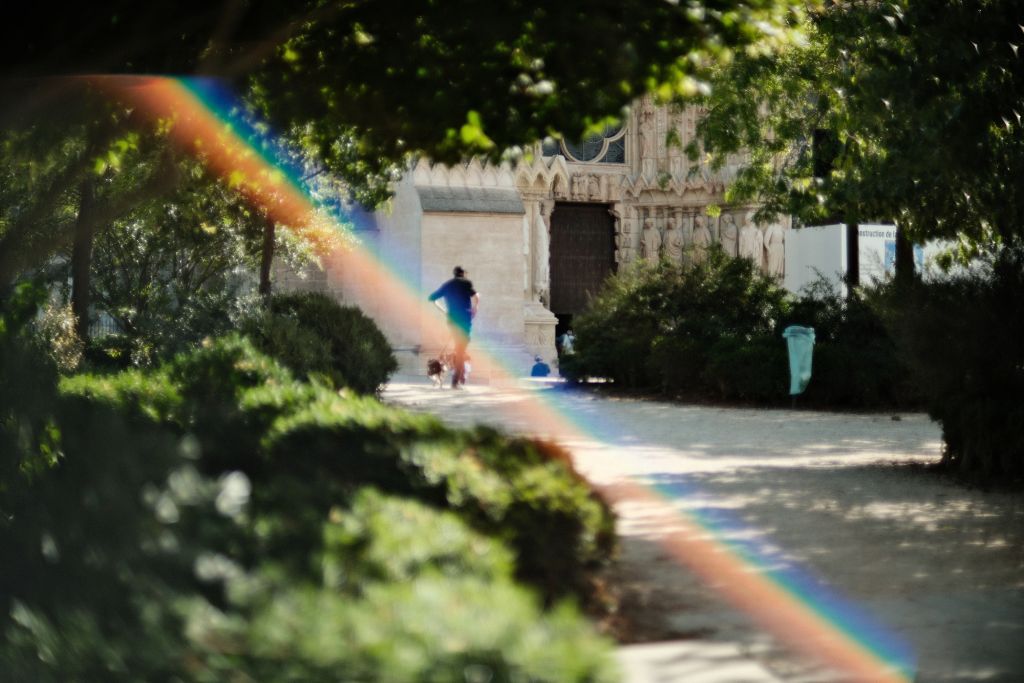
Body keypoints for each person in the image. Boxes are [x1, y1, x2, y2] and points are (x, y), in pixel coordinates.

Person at [428, 266, 479, 388]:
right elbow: (476, 297)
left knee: (459, 349)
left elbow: (431, 298)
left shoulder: (447, 285)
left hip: (452, 321)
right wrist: (475, 308)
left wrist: (444, 311)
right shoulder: (466, 283)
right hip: (464, 321)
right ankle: (456, 381)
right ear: (462, 274)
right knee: (460, 350)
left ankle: (459, 377)